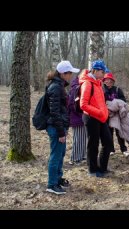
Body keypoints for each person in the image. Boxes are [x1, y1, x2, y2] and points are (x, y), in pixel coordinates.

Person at [46, 60, 80, 195]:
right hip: (56, 127)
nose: (71, 75)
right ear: (63, 73)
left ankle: (58, 179)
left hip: (60, 127)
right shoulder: (55, 87)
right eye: (69, 73)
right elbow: (54, 112)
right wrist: (61, 132)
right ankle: (51, 184)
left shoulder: (59, 86)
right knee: (55, 155)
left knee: (60, 154)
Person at [79, 60, 114, 178]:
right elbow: (83, 104)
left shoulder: (98, 83)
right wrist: (98, 112)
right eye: (102, 72)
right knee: (93, 144)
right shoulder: (87, 84)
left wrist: (104, 112)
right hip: (91, 118)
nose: (104, 74)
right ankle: (92, 170)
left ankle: (102, 168)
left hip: (101, 117)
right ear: (95, 70)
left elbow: (100, 101)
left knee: (108, 142)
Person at [102, 72, 129, 157]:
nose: (108, 82)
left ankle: (123, 149)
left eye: (110, 80)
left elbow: (123, 101)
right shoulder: (102, 90)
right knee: (109, 133)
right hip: (107, 115)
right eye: (106, 81)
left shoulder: (117, 90)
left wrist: (116, 105)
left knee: (119, 132)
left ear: (113, 81)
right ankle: (111, 150)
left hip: (117, 115)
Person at [67, 76, 87, 165]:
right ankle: (75, 158)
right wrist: (81, 113)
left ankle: (82, 156)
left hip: (81, 117)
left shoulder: (80, 87)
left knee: (82, 138)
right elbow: (72, 105)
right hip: (77, 118)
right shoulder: (76, 89)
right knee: (78, 139)